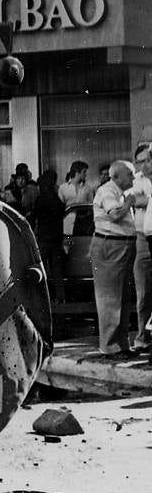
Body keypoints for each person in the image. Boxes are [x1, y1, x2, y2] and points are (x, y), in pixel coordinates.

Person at [91, 160, 140, 358]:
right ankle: (110, 347)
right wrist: (129, 203)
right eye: (130, 174)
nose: (134, 177)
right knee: (110, 298)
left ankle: (121, 345)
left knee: (122, 297)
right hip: (111, 246)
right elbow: (115, 215)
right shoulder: (107, 191)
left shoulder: (118, 192)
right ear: (117, 176)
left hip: (121, 246)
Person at [33, 170, 66, 303]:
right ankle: (60, 297)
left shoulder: (41, 199)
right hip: (56, 238)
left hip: (44, 238)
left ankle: (40, 298)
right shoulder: (57, 199)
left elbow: (36, 216)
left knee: (40, 269)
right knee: (57, 270)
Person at [135, 144, 152, 351]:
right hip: (141, 238)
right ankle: (142, 337)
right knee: (144, 291)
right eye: (140, 161)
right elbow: (135, 200)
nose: (144, 165)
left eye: (147, 160)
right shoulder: (136, 180)